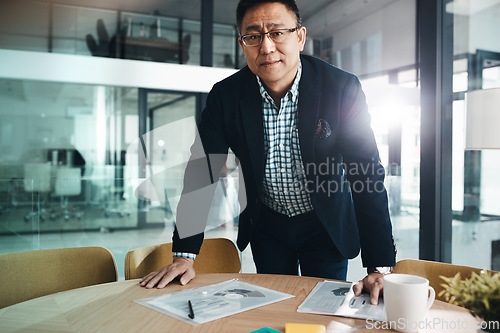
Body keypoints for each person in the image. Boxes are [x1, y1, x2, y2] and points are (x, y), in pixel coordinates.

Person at [140, 0, 396, 305]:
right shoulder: (226, 96)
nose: (266, 47)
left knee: (323, 309)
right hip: (268, 224)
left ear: (299, 37)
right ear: (242, 44)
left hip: (325, 224)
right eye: (253, 36)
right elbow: (202, 171)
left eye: (277, 33)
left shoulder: (340, 88)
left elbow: (364, 173)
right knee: (273, 306)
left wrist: (378, 266)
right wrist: (185, 256)